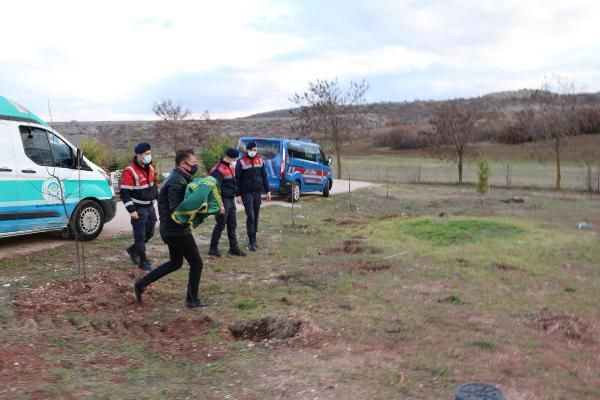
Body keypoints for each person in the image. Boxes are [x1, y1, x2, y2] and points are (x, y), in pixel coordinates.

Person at [134, 149, 211, 308]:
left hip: (171, 230)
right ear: (183, 164)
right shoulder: (177, 181)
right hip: (176, 231)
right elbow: (177, 209)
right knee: (197, 263)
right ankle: (192, 300)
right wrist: (198, 208)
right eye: (194, 163)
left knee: (176, 262)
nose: (196, 166)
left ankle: (141, 283)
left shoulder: (180, 178)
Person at [120, 142, 158, 271]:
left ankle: (132, 250)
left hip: (150, 207)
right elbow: (125, 193)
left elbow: (153, 186)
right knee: (140, 236)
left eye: (150, 153)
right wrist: (131, 210)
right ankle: (143, 261)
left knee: (150, 233)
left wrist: (158, 198)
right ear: (139, 155)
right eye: (147, 154)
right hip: (138, 210)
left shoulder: (151, 167)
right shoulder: (129, 171)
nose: (149, 156)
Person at [209, 148, 246, 257]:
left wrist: (237, 195)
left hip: (230, 199)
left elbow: (233, 183)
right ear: (230, 157)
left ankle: (233, 248)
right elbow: (215, 189)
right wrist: (220, 205)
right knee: (220, 225)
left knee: (232, 224)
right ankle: (213, 248)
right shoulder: (218, 169)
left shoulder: (229, 166)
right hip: (223, 200)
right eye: (235, 158)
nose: (235, 160)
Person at [235, 141, 271, 251]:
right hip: (246, 193)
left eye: (255, 149)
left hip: (257, 192)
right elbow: (237, 179)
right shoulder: (241, 162)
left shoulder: (260, 160)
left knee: (256, 216)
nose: (254, 151)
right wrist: (238, 194)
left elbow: (264, 176)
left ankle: (254, 239)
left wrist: (268, 190)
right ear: (248, 150)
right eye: (252, 149)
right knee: (250, 215)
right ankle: (251, 241)